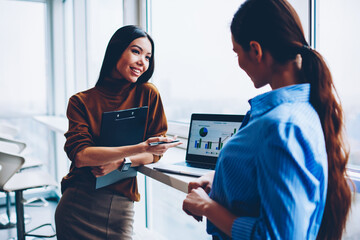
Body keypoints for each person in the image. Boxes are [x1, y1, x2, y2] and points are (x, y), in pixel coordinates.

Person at [182, 0, 352, 239]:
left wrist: (207, 207)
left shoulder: (281, 126)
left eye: (237, 52)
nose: (238, 62)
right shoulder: (289, 114)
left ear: (256, 50)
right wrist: (216, 180)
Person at [55, 25, 181, 240]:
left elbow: (156, 153)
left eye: (148, 57)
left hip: (120, 203)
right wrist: (140, 147)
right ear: (116, 50)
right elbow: (81, 156)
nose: (143, 61)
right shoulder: (80, 102)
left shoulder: (148, 94)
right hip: (76, 202)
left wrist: (122, 161)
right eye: (136, 51)